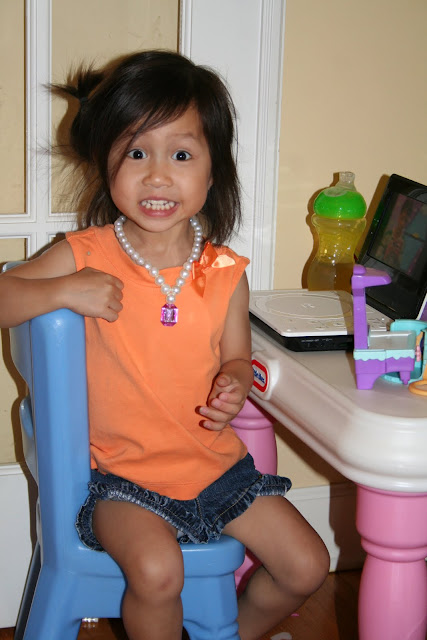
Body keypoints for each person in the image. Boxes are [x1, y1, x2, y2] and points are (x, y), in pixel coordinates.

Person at [0, 50, 329, 640]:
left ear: (213, 169)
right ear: (106, 162)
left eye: (181, 154)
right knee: (157, 572)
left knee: (307, 564)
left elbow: (236, 357)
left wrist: (233, 380)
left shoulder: (225, 272)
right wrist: (62, 291)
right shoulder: (86, 254)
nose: (157, 176)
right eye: (136, 153)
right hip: (121, 481)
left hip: (216, 471)